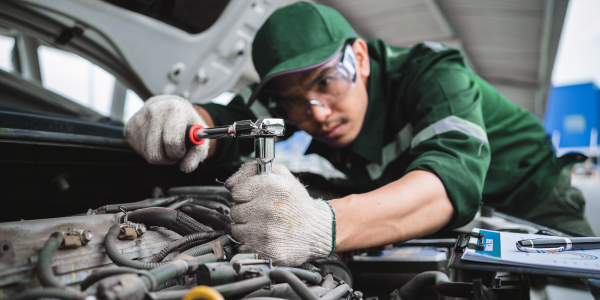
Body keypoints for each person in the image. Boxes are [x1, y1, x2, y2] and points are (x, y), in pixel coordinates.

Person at [125, 2, 594, 266]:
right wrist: (185, 118)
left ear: (361, 59)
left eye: (326, 82)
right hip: (438, 217)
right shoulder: (297, 100)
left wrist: (323, 224)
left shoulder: (435, 75)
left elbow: (450, 181)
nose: (315, 111)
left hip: (531, 199)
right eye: (292, 100)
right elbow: (232, 119)